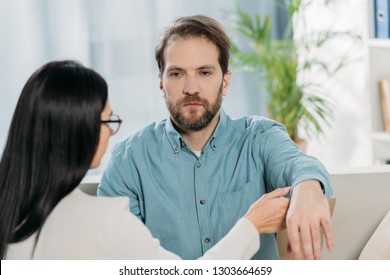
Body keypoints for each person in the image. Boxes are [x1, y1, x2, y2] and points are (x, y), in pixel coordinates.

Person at [0, 60, 290, 260]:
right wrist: (252, 224)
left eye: (204, 72)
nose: (111, 134)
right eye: (108, 121)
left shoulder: (10, 211)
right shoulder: (104, 219)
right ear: (77, 130)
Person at [98, 15, 334, 260]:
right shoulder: (128, 161)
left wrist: (307, 185)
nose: (191, 88)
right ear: (161, 83)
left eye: (205, 72)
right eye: (177, 74)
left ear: (225, 82)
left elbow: (298, 164)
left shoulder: (259, 138)